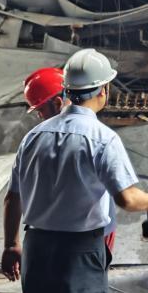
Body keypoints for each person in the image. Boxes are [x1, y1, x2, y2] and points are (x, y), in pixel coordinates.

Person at [2, 48, 148, 293]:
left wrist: (11, 246)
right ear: (104, 90)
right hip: (79, 252)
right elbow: (126, 199)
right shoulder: (102, 138)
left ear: (67, 90)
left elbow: (13, 197)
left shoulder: (32, 137)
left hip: (36, 248)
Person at [23, 66, 119, 259]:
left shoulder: (46, 140)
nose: (40, 117)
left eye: (41, 111)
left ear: (58, 103)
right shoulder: (90, 134)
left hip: (84, 236)